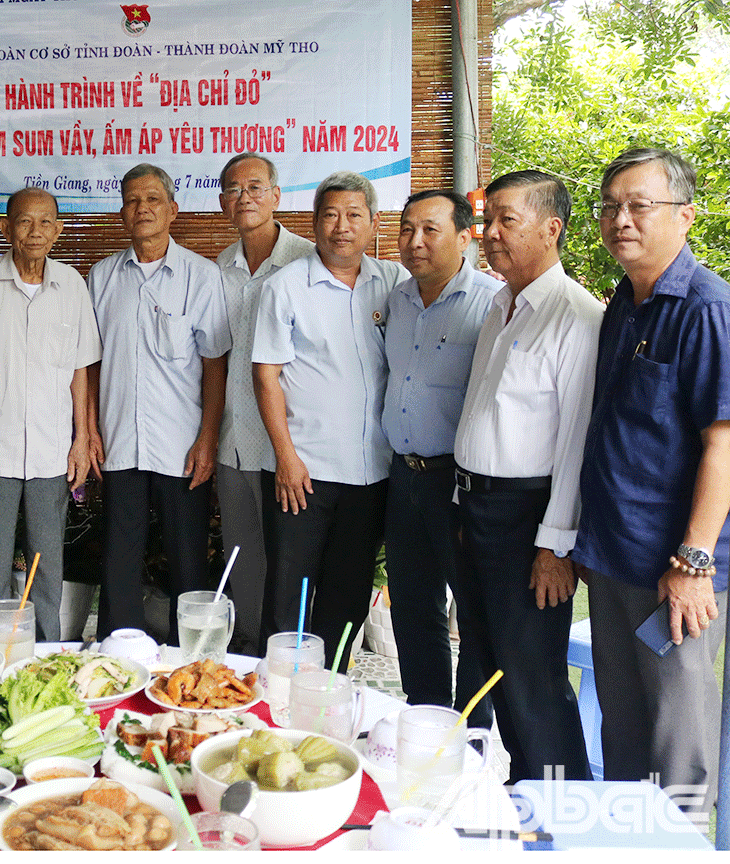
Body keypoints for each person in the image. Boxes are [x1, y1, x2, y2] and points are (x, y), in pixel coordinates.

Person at [574, 147, 730, 819]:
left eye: (640, 206)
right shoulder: (625, 303)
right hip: (615, 558)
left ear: (685, 216)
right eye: (610, 206)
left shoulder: (706, 309)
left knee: (678, 744)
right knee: (624, 730)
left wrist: (694, 563)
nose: (621, 220)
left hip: (676, 572)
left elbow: (723, 446)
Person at [453, 170, 599, 783]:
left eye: (505, 220)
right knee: (490, 660)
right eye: (487, 220)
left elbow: (576, 443)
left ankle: (562, 804)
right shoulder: (500, 304)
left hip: (528, 519)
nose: (489, 233)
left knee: (531, 673)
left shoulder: (575, 317)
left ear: (551, 228)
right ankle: (521, 791)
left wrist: (554, 547)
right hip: (475, 509)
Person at [252, 171, 407, 669]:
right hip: (304, 472)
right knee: (289, 599)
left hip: (371, 474)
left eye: (354, 215)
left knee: (347, 598)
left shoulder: (394, 284)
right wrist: (286, 459)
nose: (342, 227)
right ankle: (278, 698)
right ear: (314, 222)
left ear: (374, 223)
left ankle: (329, 691)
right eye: (331, 215)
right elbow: (266, 377)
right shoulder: (285, 287)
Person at [0, 187, 101, 640]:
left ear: (58, 230)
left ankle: (47, 653)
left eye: (45, 222)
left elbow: (80, 370)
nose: (35, 231)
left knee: (46, 566)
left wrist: (81, 440)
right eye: (24, 221)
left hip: (53, 450)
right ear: (5, 228)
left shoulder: (71, 285)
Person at [87, 163, 230, 641]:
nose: (142, 208)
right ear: (121, 213)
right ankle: (117, 659)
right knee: (119, 559)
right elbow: (89, 363)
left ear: (173, 209)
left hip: (181, 443)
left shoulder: (201, 276)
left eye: (152, 199)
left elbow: (214, 363)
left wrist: (208, 438)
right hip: (119, 441)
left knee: (188, 559)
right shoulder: (101, 277)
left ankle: (191, 659)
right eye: (132, 200)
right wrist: (89, 429)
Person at [382, 190, 497, 727]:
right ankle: (424, 718)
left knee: (473, 609)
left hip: (459, 480)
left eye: (431, 229)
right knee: (412, 603)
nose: (415, 241)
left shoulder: (490, 304)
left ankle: (470, 731)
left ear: (465, 237)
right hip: (403, 475)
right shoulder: (398, 301)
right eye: (407, 229)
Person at [213, 153, 314, 654]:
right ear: (222, 203)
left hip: (289, 443)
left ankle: (291, 655)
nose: (245, 197)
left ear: (276, 196)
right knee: (244, 556)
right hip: (233, 439)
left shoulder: (308, 262)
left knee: (289, 560)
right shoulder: (220, 268)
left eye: (255, 187)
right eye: (234, 189)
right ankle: (251, 651)